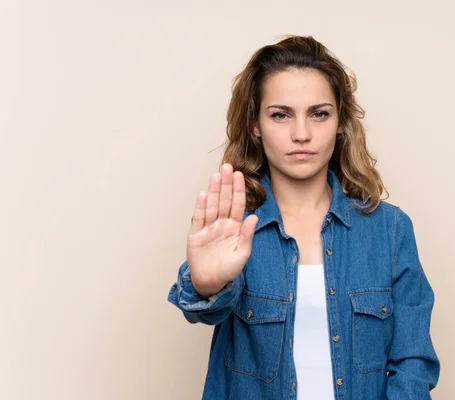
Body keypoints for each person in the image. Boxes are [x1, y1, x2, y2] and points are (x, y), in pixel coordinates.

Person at [168, 35, 440, 399]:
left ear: (341, 121)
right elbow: (204, 309)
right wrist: (205, 286)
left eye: (319, 113)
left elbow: (413, 362)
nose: (301, 134)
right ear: (255, 125)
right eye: (280, 115)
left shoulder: (389, 231)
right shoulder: (233, 230)